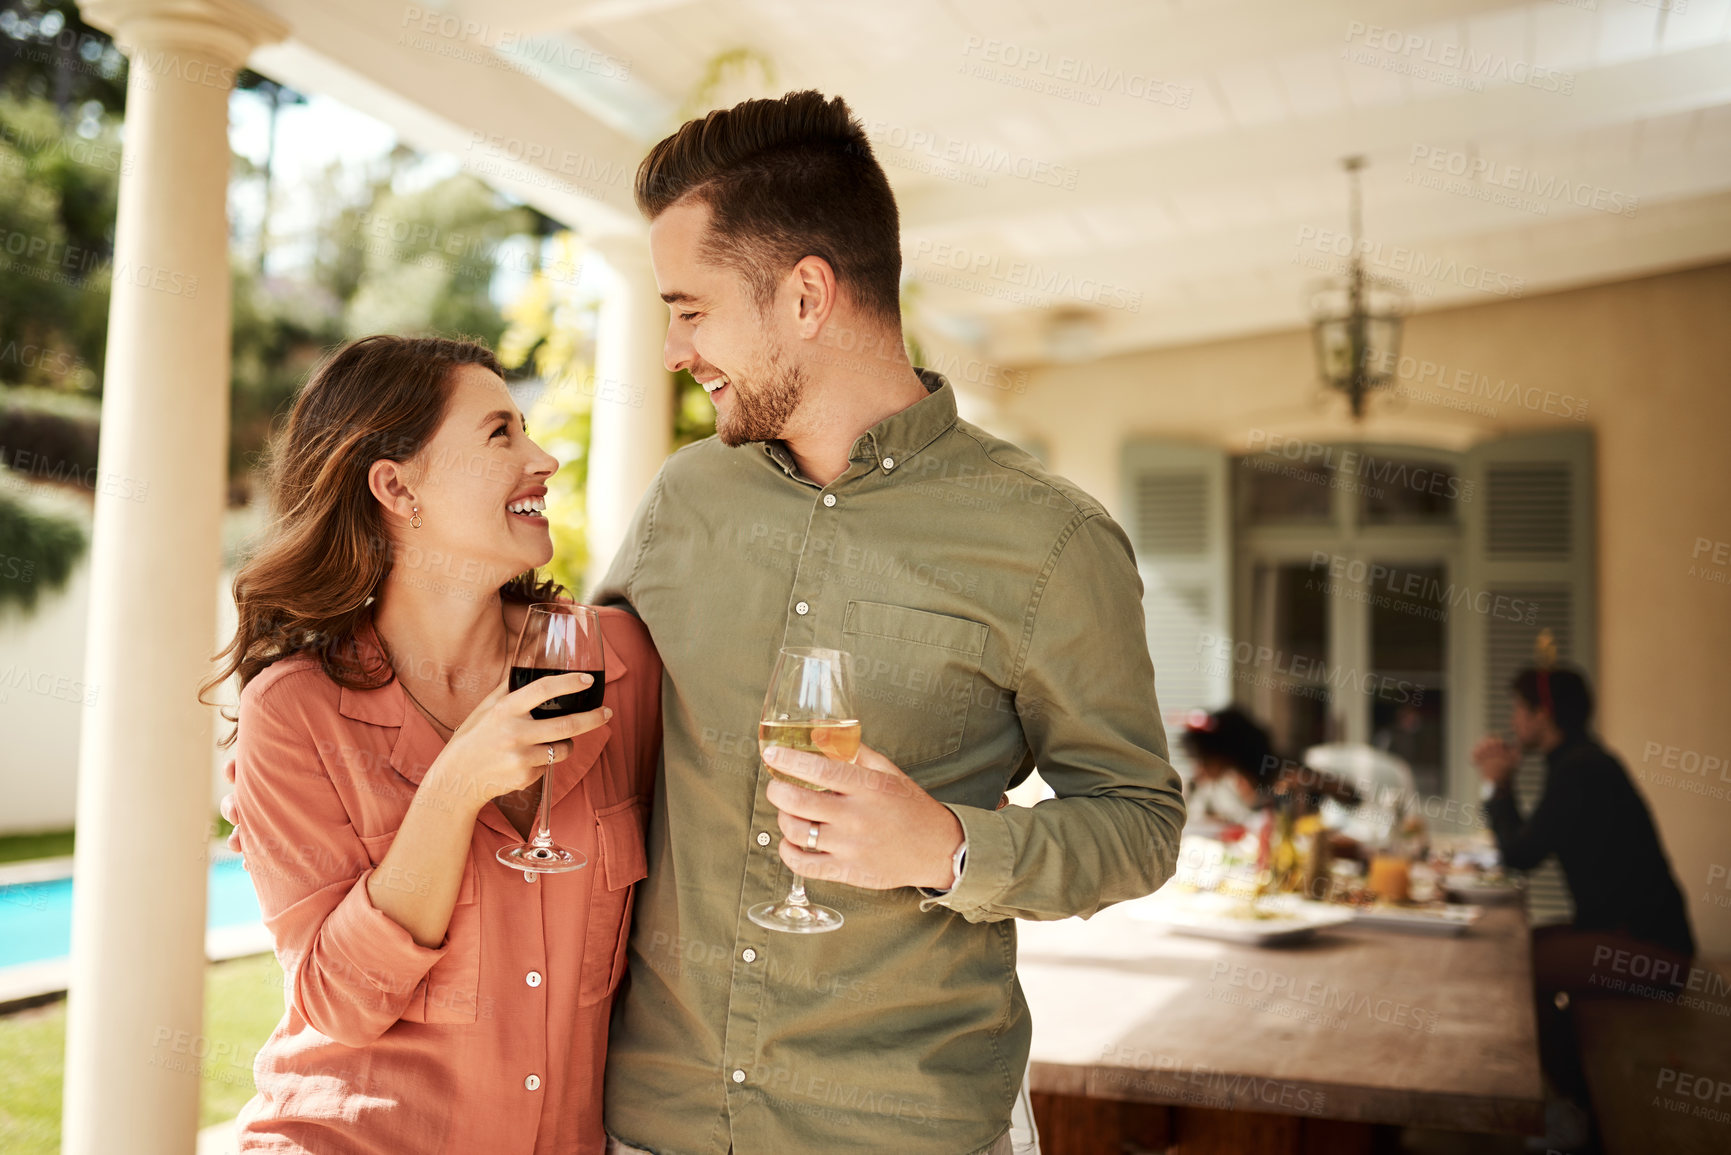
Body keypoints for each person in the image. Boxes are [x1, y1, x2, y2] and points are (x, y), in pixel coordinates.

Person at [592, 90, 1186, 1155]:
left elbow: (1140, 823)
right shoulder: (686, 500)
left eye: (691, 308)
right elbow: (580, 709)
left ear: (807, 296)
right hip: (657, 1125)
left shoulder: (1050, 541)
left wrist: (950, 847)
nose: (677, 348)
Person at [207, 335, 661, 1154]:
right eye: (500, 434)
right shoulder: (297, 713)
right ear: (395, 486)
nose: (545, 457)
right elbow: (338, 1003)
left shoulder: (616, 664)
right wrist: (453, 789)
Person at [1471, 664, 1694, 1150]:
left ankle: (1572, 1110)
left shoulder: (1581, 768)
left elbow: (1521, 855)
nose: (1513, 722)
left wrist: (1496, 786)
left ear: (1542, 713)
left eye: (1518, 710)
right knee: (1521, 951)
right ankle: (1574, 1102)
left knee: (1515, 967)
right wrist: (1504, 788)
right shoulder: (1578, 762)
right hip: (1627, 934)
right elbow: (1529, 844)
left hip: (1652, 950)